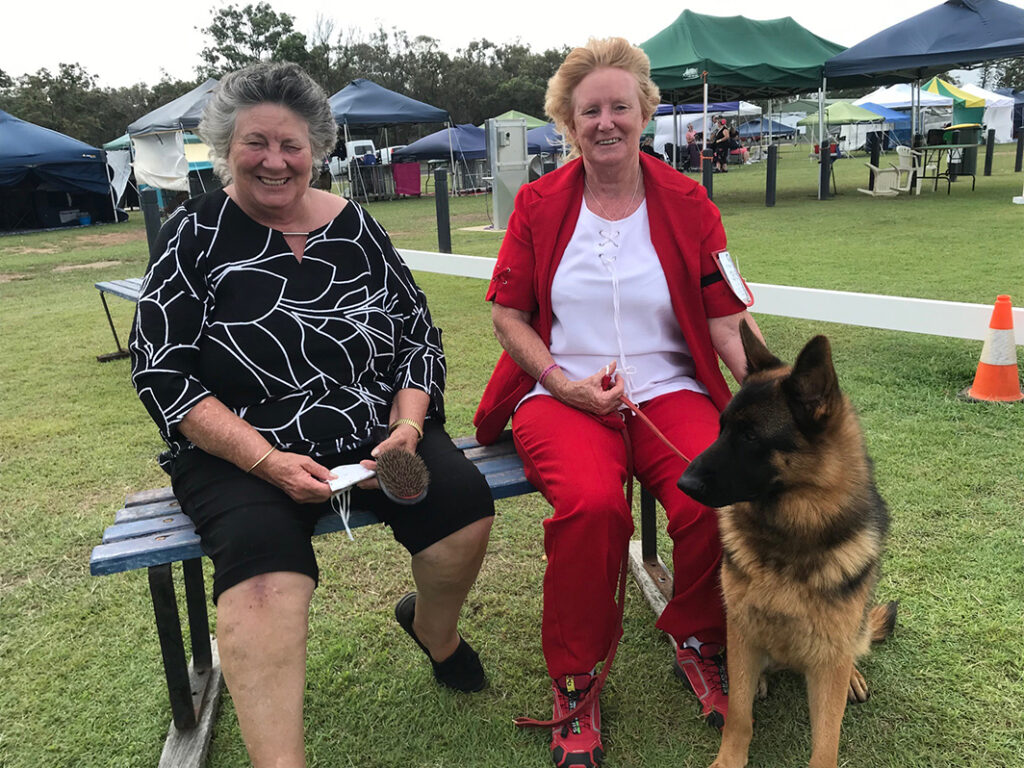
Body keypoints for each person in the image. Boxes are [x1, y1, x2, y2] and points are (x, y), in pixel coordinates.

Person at [129, 61, 494, 767]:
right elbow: (161, 371)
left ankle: (435, 632)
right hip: (240, 450)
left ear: (317, 148)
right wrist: (263, 459)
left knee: (463, 511)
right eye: (255, 143)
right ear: (225, 148)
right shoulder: (192, 236)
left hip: (375, 430)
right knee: (263, 582)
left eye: (291, 144)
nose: (274, 160)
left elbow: (416, 335)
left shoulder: (357, 226)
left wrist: (408, 430)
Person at [474, 38, 763, 768]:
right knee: (593, 508)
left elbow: (726, 317)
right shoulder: (540, 203)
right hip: (564, 394)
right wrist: (563, 382)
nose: (605, 122)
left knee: (713, 498)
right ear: (569, 125)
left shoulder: (687, 200)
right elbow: (508, 314)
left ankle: (697, 635)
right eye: (589, 111)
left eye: (619, 107)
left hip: (669, 389)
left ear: (645, 114)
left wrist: (776, 391)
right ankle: (575, 682)